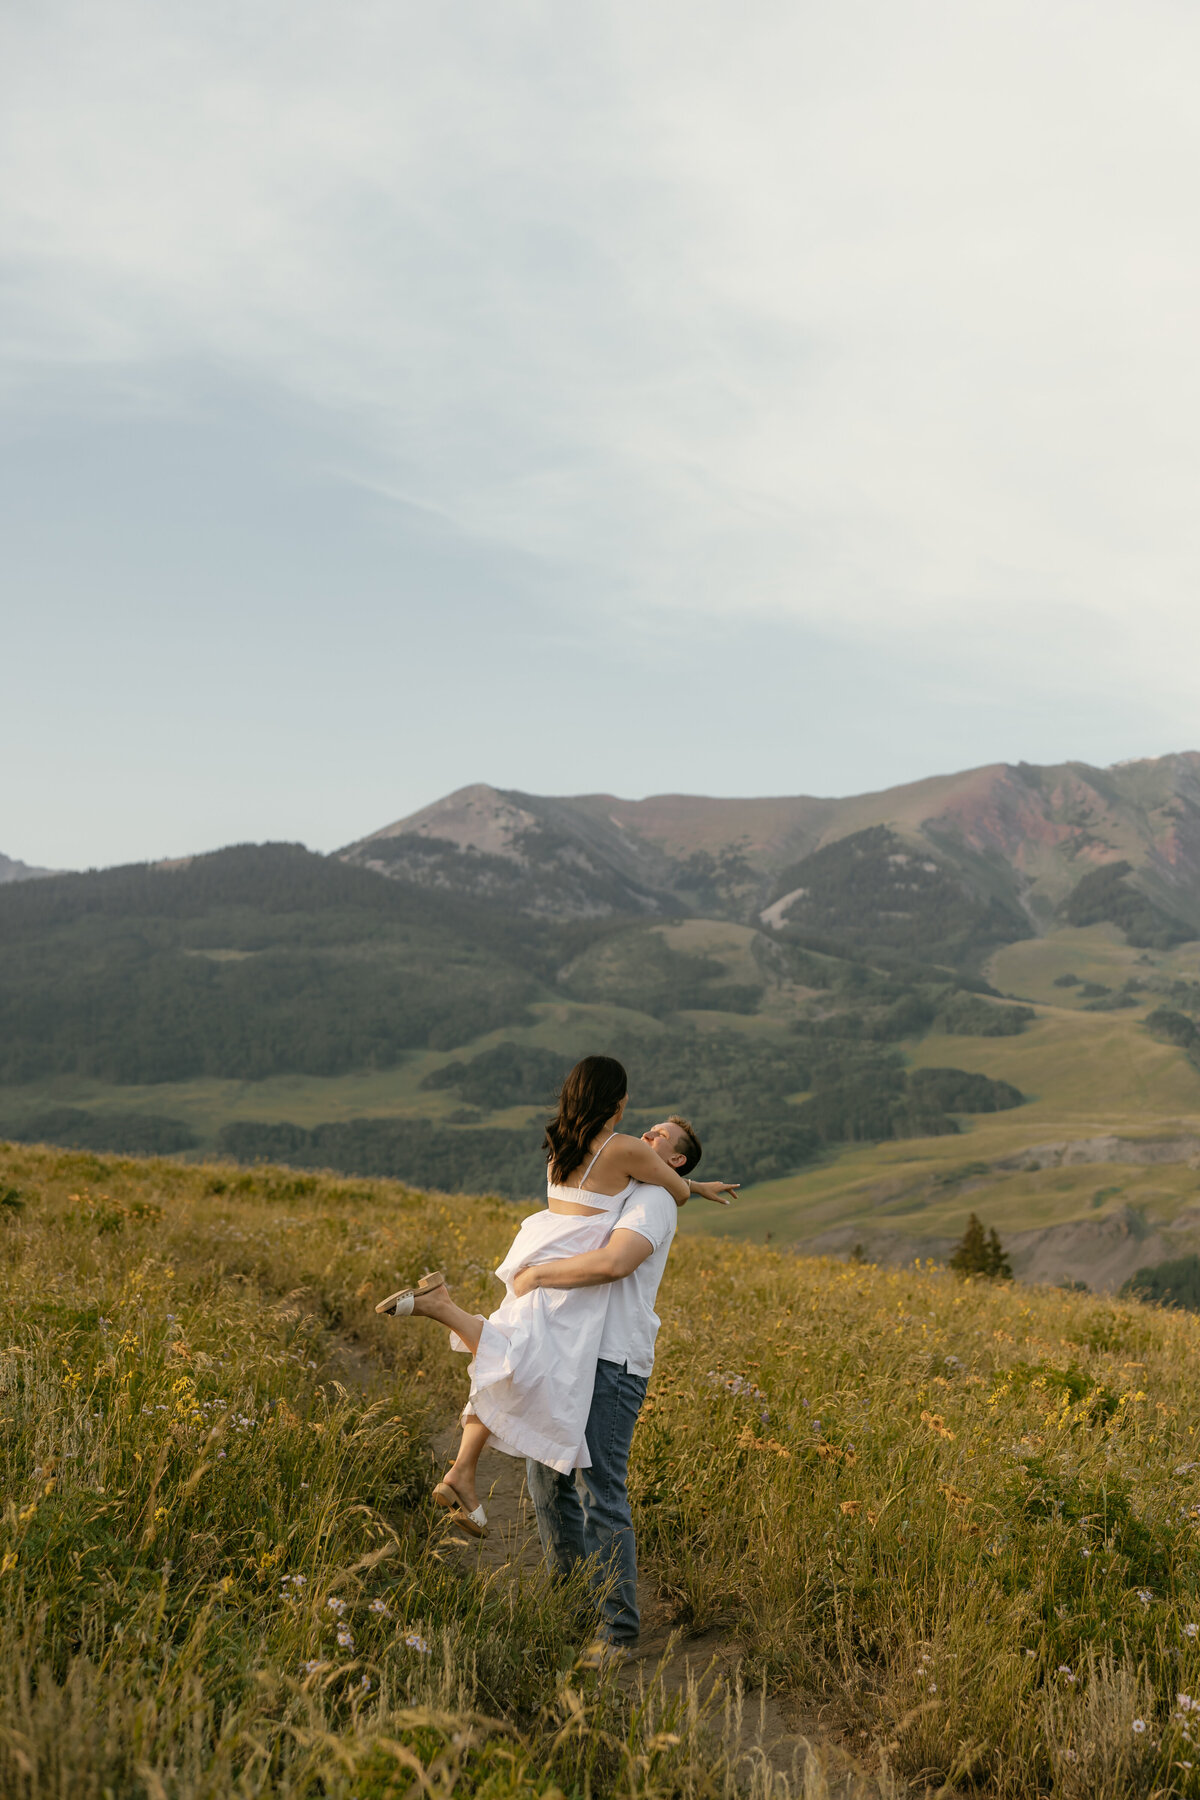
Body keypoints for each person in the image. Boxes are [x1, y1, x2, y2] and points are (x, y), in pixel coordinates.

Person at [374, 1056, 736, 1539]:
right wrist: (688, 1183)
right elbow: (675, 1192)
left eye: (661, 1135)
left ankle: (462, 1472)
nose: (649, 1134)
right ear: (619, 1101)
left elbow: (653, 1177)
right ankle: (441, 1305)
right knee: (517, 1359)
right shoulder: (624, 1149)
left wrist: (689, 1178)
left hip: (543, 1245)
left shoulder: (562, 1145)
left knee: (512, 1359)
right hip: (569, 1267)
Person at [514, 1112, 701, 1656]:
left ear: (675, 1161)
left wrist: (534, 1274)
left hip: (613, 1360)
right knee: (545, 1477)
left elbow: (616, 1263)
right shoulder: (627, 1189)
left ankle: (616, 1629)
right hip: (572, 1349)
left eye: (660, 1138)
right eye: (650, 1129)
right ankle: (569, 1601)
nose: (646, 1137)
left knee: (601, 1492)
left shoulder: (654, 1202)